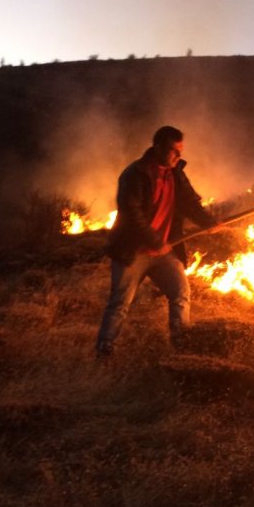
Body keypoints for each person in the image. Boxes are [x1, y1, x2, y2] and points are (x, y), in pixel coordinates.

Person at [96, 125, 217, 355]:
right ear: (158, 147)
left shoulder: (176, 173)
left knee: (181, 294)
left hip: (163, 253)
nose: (178, 156)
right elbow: (132, 214)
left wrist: (208, 222)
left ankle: (181, 349)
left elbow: (190, 202)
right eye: (173, 150)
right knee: (120, 304)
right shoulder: (135, 174)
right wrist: (154, 239)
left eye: (180, 151)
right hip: (131, 252)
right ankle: (104, 351)